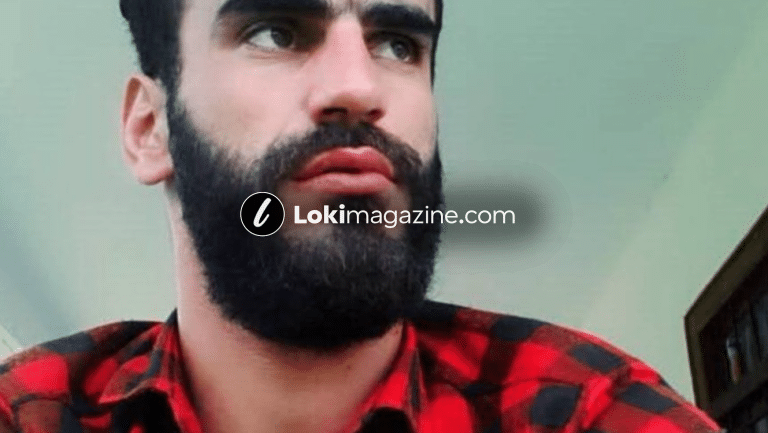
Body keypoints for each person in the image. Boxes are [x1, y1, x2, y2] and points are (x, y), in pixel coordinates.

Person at [0, 0, 722, 431]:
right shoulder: (30, 414)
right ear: (149, 129)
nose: (359, 86)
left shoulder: (579, 407)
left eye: (397, 44)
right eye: (276, 30)